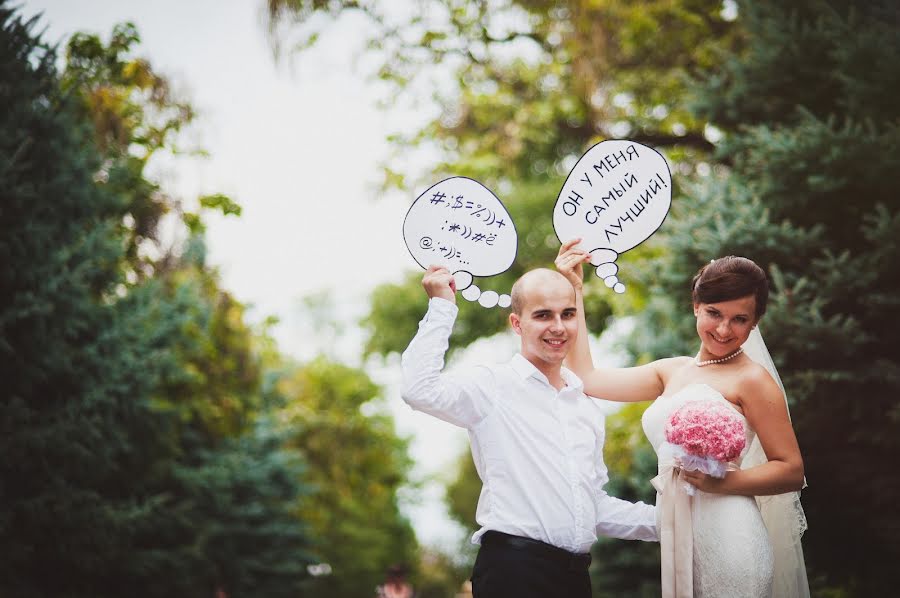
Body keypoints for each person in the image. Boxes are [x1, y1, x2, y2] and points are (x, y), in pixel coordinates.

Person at [555, 239, 810, 598]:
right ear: (696, 306)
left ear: (755, 323)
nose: (724, 329)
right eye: (714, 313)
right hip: (682, 533)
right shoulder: (670, 372)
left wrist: (722, 482)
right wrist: (574, 291)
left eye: (740, 319)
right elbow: (588, 379)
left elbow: (790, 469)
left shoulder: (752, 380)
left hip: (732, 540)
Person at [401, 265, 658, 598]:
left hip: (575, 579)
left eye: (568, 314)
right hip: (514, 574)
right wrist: (442, 305)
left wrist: (674, 522)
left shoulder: (586, 407)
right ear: (517, 324)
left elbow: (591, 505)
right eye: (543, 315)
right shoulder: (492, 386)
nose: (558, 327)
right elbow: (418, 389)